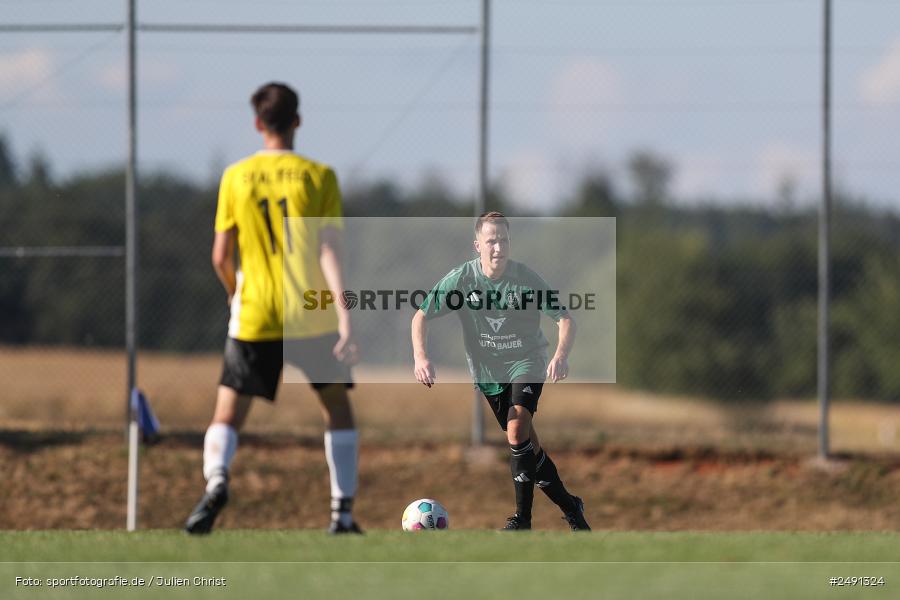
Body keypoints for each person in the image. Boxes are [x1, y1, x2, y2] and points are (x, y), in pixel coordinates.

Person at [185, 82, 362, 535]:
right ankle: (341, 515)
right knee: (337, 411)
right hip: (311, 313)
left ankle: (217, 481)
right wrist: (344, 314)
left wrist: (233, 290)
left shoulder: (236, 176)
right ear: (298, 121)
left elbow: (220, 256)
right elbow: (329, 252)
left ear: (258, 124)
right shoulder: (320, 176)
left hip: (255, 314)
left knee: (227, 415)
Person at [411, 211, 590, 531]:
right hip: (489, 375)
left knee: (516, 427)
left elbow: (565, 319)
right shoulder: (462, 279)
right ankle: (570, 506)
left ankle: (522, 519)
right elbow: (421, 315)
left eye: (504, 240)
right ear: (477, 244)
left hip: (528, 361)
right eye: (491, 240)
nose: (498, 247)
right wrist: (421, 357)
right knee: (528, 448)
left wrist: (561, 355)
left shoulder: (526, 279)